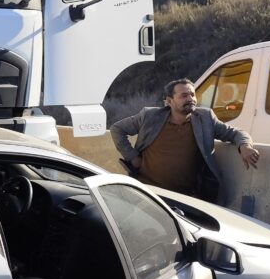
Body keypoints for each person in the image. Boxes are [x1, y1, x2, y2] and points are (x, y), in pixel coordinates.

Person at [109, 78, 260, 203]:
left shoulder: (205, 119)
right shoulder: (149, 116)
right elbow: (117, 129)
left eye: (192, 95)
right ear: (169, 101)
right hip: (146, 191)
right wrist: (133, 157)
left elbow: (235, 133)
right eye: (184, 96)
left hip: (183, 198)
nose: (191, 99)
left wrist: (245, 146)